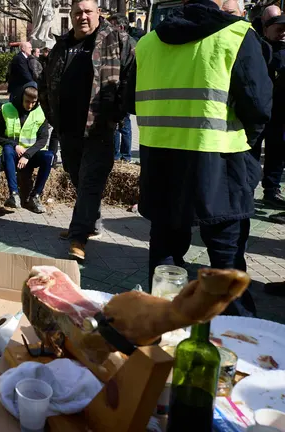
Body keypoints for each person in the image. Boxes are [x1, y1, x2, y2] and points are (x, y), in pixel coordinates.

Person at [128, 0, 271, 315]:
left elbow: (131, 100)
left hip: (162, 166)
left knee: (164, 263)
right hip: (220, 167)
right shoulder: (236, 34)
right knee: (227, 269)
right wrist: (248, 141)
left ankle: (161, 339)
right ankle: (237, 342)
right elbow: (260, 105)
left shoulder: (149, 43)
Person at [39, 0, 134, 262]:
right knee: (77, 178)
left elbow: (130, 78)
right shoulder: (62, 45)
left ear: (98, 13)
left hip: (99, 128)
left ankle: (78, 236)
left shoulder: (118, 40)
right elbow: (45, 81)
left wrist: (116, 113)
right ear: (71, 15)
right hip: (67, 128)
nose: (83, 17)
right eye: (77, 12)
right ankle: (91, 222)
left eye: (88, 11)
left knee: (91, 180)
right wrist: (52, 116)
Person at [0, 82, 52, 213]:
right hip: (13, 154)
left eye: (33, 102)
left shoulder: (41, 112)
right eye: (27, 101)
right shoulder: (6, 108)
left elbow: (43, 139)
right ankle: (14, 194)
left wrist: (27, 155)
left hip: (30, 154)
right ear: (21, 97)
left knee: (49, 156)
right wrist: (15, 146)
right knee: (8, 150)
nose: (30, 105)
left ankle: (35, 196)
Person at [257, 10, 285, 210]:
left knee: (276, 154)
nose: (283, 33)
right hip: (257, 112)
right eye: (279, 29)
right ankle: (245, 190)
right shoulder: (257, 47)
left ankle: (271, 190)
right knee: (250, 154)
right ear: (267, 28)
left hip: (280, 113)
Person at [108, 13, 135, 163]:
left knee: (124, 125)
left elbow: (130, 72)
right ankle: (116, 155)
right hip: (112, 91)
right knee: (114, 126)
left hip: (124, 92)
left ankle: (125, 156)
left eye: (112, 26)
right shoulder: (112, 44)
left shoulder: (130, 44)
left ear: (121, 27)